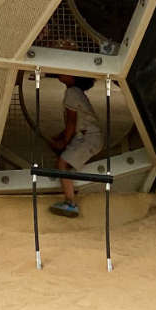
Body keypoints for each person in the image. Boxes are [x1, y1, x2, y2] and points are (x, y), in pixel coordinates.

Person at [48, 76, 104, 218]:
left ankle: (71, 203)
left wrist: (64, 144)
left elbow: (72, 123)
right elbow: (75, 122)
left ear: (73, 78)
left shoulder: (72, 92)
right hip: (86, 136)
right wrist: (60, 137)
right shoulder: (75, 92)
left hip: (88, 138)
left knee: (63, 163)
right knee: (65, 162)